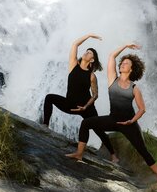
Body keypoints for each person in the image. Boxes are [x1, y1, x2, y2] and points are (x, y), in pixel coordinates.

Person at [66, 43, 157, 183]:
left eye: (126, 64)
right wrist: (126, 45)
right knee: (86, 122)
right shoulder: (112, 79)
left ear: (131, 69)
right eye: (122, 63)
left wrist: (132, 121)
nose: (123, 65)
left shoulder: (134, 88)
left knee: (142, 150)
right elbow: (112, 56)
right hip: (113, 120)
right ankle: (79, 154)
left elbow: (142, 109)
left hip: (129, 124)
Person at [42, 33, 117, 161]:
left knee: (97, 129)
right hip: (69, 104)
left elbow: (95, 94)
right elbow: (75, 44)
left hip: (86, 106)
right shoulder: (73, 65)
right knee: (49, 98)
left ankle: (113, 155)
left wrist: (86, 107)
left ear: (92, 60)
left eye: (89, 53)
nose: (86, 53)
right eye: (86, 51)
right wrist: (88, 35)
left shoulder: (91, 76)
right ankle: (45, 126)